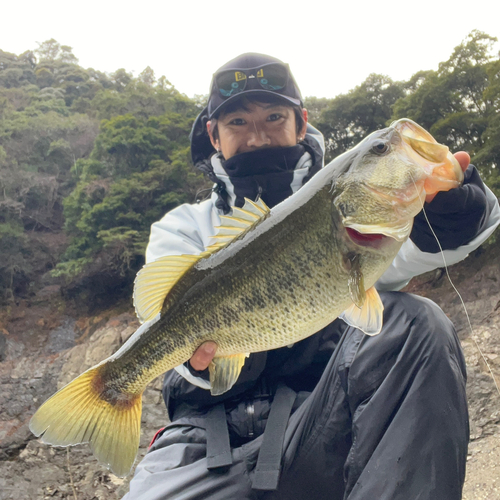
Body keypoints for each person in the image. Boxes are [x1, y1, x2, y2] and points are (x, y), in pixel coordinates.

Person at [122, 53, 500, 500]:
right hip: (202, 444)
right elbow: (164, 319)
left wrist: (457, 211)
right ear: (213, 135)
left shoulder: (356, 222)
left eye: (274, 117)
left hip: (325, 427)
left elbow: (433, 247)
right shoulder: (182, 226)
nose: (257, 135)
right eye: (238, 122)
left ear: (301, 123)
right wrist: (194, 356)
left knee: (418, 322)